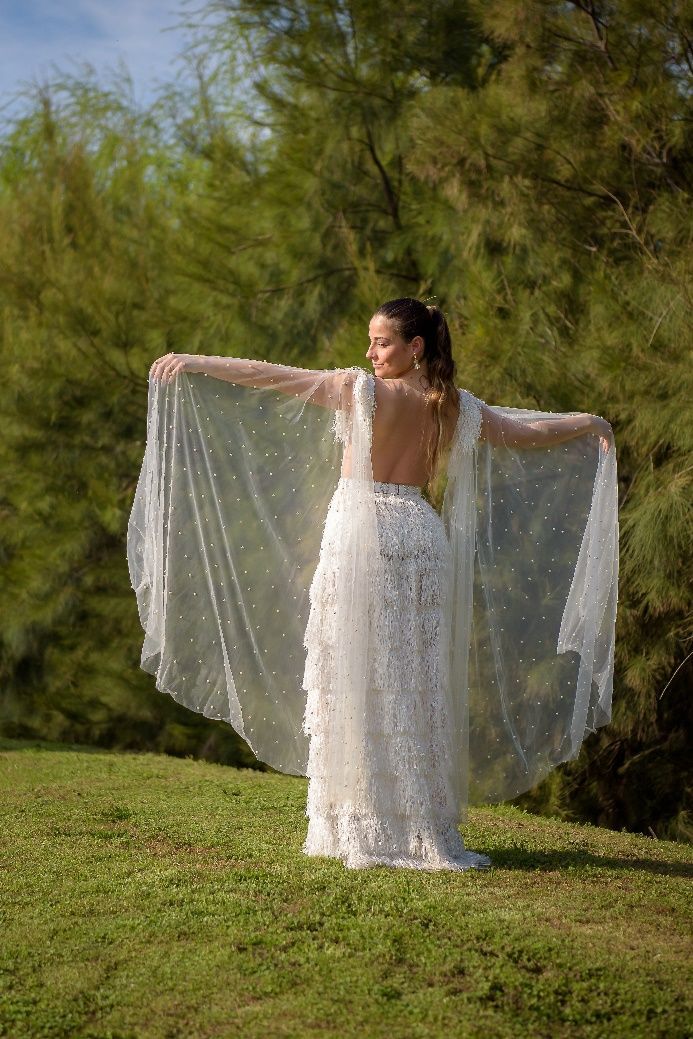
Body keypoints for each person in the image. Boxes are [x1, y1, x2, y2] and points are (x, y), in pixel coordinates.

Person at [131, 297, 618, 872]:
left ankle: (358, 825)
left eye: (382, 342)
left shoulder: (362, 392)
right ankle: (417, 824)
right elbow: (526, 433)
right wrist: (588, 423)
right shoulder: (455, 407)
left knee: (355, 674)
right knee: (414, 683)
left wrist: (195, 362)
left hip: (360, 530)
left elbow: (272, 376)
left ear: (416, 347)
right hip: (420, 534)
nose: (370, 353)